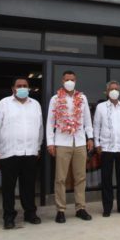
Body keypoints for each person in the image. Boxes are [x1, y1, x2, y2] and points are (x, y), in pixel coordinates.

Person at [0, 77, 43, 229]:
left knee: (29, 186)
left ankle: (30, 213)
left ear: (29, 88)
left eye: (25, 85)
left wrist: (38, 146)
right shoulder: (4, 104)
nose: (22, 88)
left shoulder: (35, 105)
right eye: (19, 86)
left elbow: (40, 127)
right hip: (9, 152)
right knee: (8, 188)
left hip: (30, 151)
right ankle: (8, 217)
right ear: (13, 88)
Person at [47, 70, 94, 223]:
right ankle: (60, 210)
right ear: (62, 81)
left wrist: (90, 137)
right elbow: (50, 122)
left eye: (72, 79)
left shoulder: (82, 98)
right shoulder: (55, 99)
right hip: (62, 142)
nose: (69, 82)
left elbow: (87, 120)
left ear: (75, 81)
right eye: (67, 79)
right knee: (60, 178)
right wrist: (50, 142)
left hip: (79, 142)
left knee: (80, 177)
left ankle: (80, 208)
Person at [94, 81, 120, 217]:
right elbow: (96, 126)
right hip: (106, 148)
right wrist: (97, 144)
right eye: (111, 89)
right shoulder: (100, 107)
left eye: (116, 89)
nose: (114, 91)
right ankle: (107, 208)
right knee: (106, 180)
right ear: (107, 92)